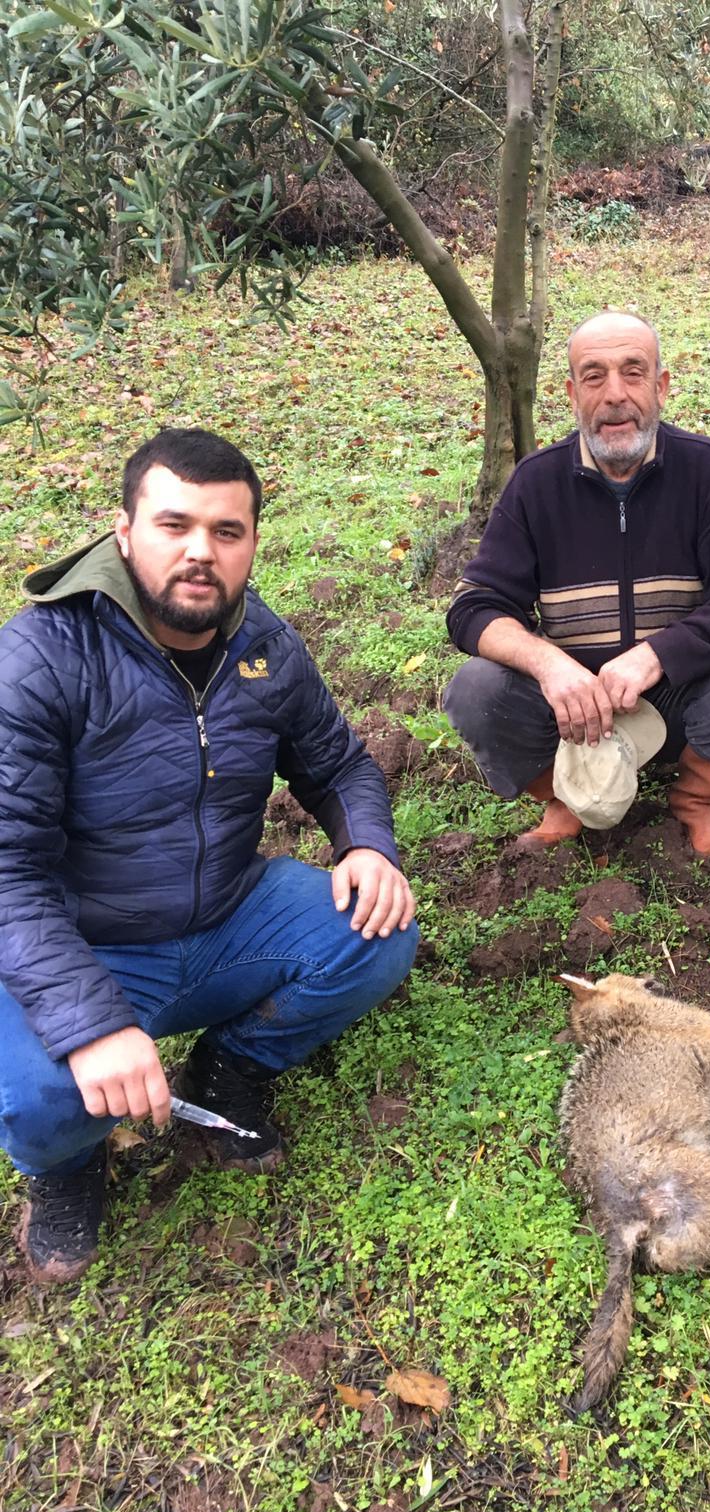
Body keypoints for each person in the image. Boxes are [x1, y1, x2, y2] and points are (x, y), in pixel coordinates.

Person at [0, 429, 419, 1284]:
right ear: (124, 532)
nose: (201, 552)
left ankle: (231, 1069)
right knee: (44, 1097)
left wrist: (367, 844)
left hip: (228, 913)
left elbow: (336, 762)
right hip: (87, 942)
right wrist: (92, 1024)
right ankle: (67, 1168)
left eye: (227, 532)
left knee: (378, 934)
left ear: (253, 542)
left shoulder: (263, 645)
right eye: (174, 524)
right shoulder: (39, 659)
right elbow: (9, 871)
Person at [443, 310, 710, 863]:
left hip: (686, 701)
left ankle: (700, 800)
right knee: (476, 688)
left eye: (633, 373)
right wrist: (551, 666)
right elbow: (472, 607)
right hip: (575, 713)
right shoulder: (536, 483)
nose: (614, 395)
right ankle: (565, 799)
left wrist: (656, 655)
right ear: (571, 393)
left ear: (660, 387)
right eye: (593, 376)